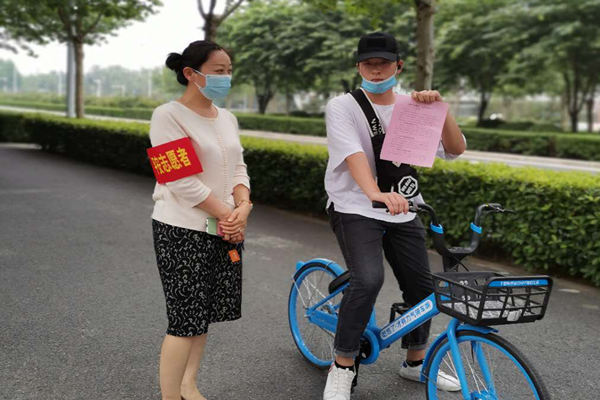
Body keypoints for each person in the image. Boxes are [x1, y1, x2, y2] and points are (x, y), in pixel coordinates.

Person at [322, 32, 466, 400]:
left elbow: (455, 149)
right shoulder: (342, 106)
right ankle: (342, 365)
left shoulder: (413, 107)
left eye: (383, 63)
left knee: (423, 289)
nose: (376, 70)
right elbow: (353, 154)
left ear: (398, 66)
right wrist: (374, 193)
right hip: (355, 206)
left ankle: (415, 363)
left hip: (404, 207)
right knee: (368, 279)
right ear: (358, 67)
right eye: (368, 64)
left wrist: (441, 109)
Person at [150, 40, 252, 400]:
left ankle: (188, 385)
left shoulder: (227, 118)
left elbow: (238, 167)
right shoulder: (168, 116)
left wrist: (244, 206)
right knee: (184, 319)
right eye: (218, 71)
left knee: (204, 312)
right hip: (181, 229)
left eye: (229, 71)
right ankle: (170, 396)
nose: (226, 77)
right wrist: (229, 215)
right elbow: (178, 180)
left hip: (224, 227)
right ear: (191, 74)